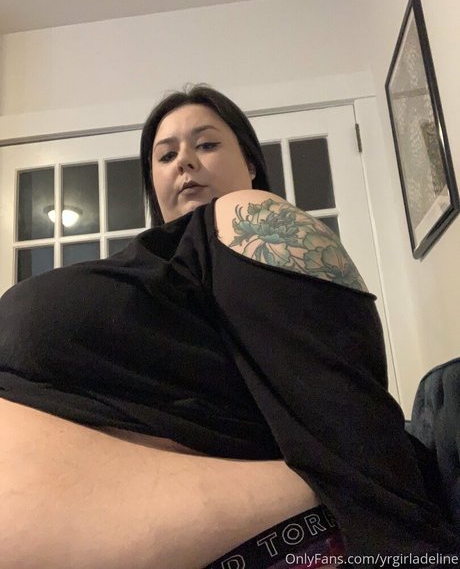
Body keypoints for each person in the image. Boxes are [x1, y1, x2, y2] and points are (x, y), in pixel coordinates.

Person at [0, 84, 458, 569]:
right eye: (165, 155)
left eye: (206, 143)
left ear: (252, 164)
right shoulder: (155, 268)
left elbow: (348, 424)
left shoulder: (246, 218)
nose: (184, 161)